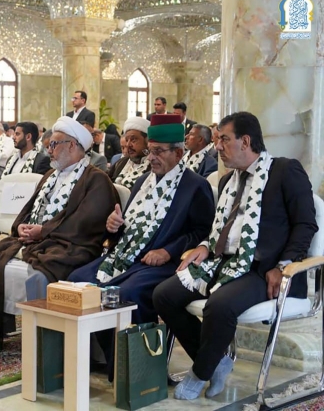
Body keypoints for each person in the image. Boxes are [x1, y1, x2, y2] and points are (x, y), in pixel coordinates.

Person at [153, 111, 318, 400]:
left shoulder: (284, 171)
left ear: (246, 141)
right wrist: (205, 246)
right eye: (217, 140)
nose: (217, 146)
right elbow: (221, 229)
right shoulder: (228, 180)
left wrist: (284, 265)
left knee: (219, 305)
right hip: (223, 262)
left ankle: (199, 373)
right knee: (164, 295)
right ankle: (215, 361)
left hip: (264, 269)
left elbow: (306, 224)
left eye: (224, 140)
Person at [67, 113, 214, 381]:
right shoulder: (142, 182)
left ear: (178, 152)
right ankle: (109, 359)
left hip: (166, 262)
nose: (151, 158)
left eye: (158, 152)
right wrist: (114, 225)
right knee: (78, 280)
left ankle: (140, 372)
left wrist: (168, 251)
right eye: (150, 151)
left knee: (127, 293)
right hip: (127, 255)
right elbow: (129, 227)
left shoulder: (196, 186)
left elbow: (201, 233)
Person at [0, 116, 117, 335]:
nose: (48, 150)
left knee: (42, 272)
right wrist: (21, 226)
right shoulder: (51, 175)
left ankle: (44, 337)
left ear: (72, 145)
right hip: (38, 241)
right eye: (48, 145)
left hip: (71, 246)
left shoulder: (96, 179)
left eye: (53, 144)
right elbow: (29, 208)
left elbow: (86, 224)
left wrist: (44, 231)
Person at [108, 117, 151, 189]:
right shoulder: (121, 162)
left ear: (147, 141)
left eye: (133, 140)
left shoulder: (154, 166)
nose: (128, 145)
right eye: (127, 140)